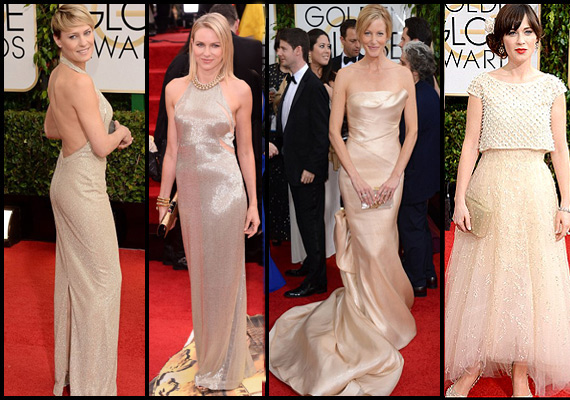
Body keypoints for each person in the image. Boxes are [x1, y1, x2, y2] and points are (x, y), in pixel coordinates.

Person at [269, 5, 418, 395]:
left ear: (389, 35)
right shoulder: (346, 75)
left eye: (380, 34)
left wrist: (395, 175)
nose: (373, 40)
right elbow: (335, 132)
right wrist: (354, 176)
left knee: (383, 244)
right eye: (367, 34)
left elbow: (413, 131)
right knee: (365, 245)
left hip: (391, 172)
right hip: (355, 172)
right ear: (357, 36)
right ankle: (365, 314)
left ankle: (385, 313)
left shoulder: (403, 73)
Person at [445, 4, 570, 398]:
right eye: (513, 32)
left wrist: (566, 204)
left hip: (535, 190)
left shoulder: (552, 87)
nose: (521, 40)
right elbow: (469, 145)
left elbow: (560, 150)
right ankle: (474, 366)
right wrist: (459, 199)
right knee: (486, 278)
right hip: (490, 186)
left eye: (528, 32)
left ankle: (520, 374)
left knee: (529, 282)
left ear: (537, 38)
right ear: (501, 38)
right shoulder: (483, 84)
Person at [157, 12, 259, 391]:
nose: (207, 52)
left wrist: (253, 203)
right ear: (191, 45)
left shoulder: (239, 91)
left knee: (225, 279)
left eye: (215, 45)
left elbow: (245, 151)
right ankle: (212, 357)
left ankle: (220, 367)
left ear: (226, 46)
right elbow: (171, 150)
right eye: (200, 44)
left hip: (226, 195)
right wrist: (164, 199)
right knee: (200, 280)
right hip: (191, 199)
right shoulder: (175, 89)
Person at [44, 4, 133, 396]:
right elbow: (100, 147)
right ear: (58, 40)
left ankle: (71, 375)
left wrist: (86, 128)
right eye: (73, 36)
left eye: (86, 33)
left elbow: (51, 129)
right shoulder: (80, 81)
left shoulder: (58, 75)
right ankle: (92, 385)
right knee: (105, 281)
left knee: (75, 280)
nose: (83, 42)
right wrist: (121, 132)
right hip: (83, 188)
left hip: (65, 180)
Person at [275, 27, 330, 298]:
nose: (279, 53)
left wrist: (311, 168)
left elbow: (322, 133)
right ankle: (311, 264)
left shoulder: (313, 87)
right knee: (305, 222)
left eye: (283, 48)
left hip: (308, 172)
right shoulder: (292, 81)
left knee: (312, 224)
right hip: (294, 167)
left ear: (298, 50)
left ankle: (317, 280)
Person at [398, 41, 440, 297]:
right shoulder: (428, 92)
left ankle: (417, 282)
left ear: (414, 70)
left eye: (402, 63)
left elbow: (405, 137)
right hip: (425, 173)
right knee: (420, 224)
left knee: (411, 227)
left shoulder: (415, 97)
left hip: (414, 173)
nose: (398, 66)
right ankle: (428, 273)